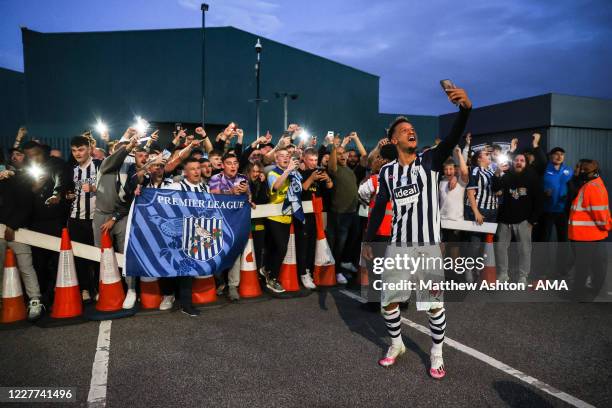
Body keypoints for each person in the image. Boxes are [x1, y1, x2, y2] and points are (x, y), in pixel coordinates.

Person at [363, 85, 472, 378]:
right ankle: (397, 345)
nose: (412, 131)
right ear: (394, 139)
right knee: (388, 302)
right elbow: (378, 208)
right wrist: (368, 241)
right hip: (399, 247)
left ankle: (436, 353)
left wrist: (465, 109)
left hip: (427, 246)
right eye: (405, 130)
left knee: (432, 305)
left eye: (413, 129)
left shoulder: (431, 159)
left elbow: (452, 137)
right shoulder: (387, 172)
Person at [161, 157, 210, 316]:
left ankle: (184, 302)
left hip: (196, 234)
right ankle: (180, 301)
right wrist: (140, 191)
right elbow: (157, 197)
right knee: (178, 266)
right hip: (178, 234)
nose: (197, 171)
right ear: (185, 172)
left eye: (198, 168)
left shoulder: (205, 188)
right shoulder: (176, 186)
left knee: (188, 268)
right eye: (193, 169)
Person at [0, 162, 43, 320]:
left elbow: (26, 205)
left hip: (18, 230)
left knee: (26, 266)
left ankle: (35, 300)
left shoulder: (14, 178)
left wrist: (12, 225)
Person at [492, 153, 543, 284]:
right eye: (516, 160)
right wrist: (497, 173)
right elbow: (495, 188)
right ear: (513, 162)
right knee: (500, 248)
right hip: (505, 219)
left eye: (522, 161)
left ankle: (523, 276)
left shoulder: (533, 177)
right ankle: (503, 274)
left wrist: (532, 220)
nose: (519, 162)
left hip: (524, 220)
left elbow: (539, 200)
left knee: (525, 250)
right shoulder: (506, 176)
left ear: (526, 163)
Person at [209, 153, 251, 301]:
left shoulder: (243, 178)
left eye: (235, 163)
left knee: (235, 252)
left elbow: (249, 198)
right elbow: (214, 196)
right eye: (229, 163)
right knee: (217, 252)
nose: (233, 166)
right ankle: (220, 282)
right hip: (219, 222)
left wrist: (247, 195)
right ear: (222, 165)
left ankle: (233, 286)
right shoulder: (215, 178)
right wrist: (231, 192)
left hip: (236, 222)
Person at [568, 160, 611, 301]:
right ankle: (582, 293)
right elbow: (601, 216)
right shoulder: (593, 185)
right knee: (590, 264)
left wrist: (606, 225)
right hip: (588, 235)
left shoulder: (591, 186)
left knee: (589, 264)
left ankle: (588, 291)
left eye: (581, 169)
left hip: (585, 235)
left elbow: (599, 213)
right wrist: (608, 226)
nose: (579, 172)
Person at [66, 136, 101, 301]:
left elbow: (112, 187)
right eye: (74, 150)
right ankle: (85, 289)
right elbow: (69, 191)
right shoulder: (72, 170)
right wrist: (68, 195)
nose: (77, 153)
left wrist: (95, 188)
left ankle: (100, 288)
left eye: (80, 149)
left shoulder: (99, 166)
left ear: (89, 149)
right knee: (79, 257)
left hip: (96, 218)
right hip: (76, 219)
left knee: (97, 256)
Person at [263, 148, 299, 293]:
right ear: (276, 160)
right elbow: (276, 186)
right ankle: (273, 278)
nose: (285, 158)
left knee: (276, 248)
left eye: (287, 156)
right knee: (282, 248)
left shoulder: (293, 174)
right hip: (273, 216)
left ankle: (266, 269)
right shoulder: (272, 173)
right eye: (281, 156)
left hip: (287, 216)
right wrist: (288, 171)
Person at [297, 148, 333, 289]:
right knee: (303, 245)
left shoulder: (319, 172)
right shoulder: (299, 173)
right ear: (304, 159)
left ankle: (309, 271)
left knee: (313, 244)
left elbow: (330, 187)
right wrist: (311, 178)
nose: (313, 163)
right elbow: (300, 189)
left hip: (316, 214)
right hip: (302, 214)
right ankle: (303, 273)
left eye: (315, 160)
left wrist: (327, 178)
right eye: (310, 160)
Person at [327, 136, 359, 284]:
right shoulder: (335, 170)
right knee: (338, 245)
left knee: (350, 243)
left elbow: (364, 158)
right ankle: (336, 271)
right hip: (340, 214)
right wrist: (334, 147)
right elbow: (332, 162)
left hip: (352, 212)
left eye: (343, 153)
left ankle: (344, 264)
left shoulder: (349, 170)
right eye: (338, 154)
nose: (342, 155)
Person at [464, 149, 498, 282]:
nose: (489, 156)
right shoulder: (475, 170)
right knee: (475, 243)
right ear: (479, 158)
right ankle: (468, 269)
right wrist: (476, 211)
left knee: (487, 243)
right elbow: (470, 193)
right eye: (486, 154)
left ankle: (480, 269)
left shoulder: (491, 171)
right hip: (480, 210)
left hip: (492, 210)